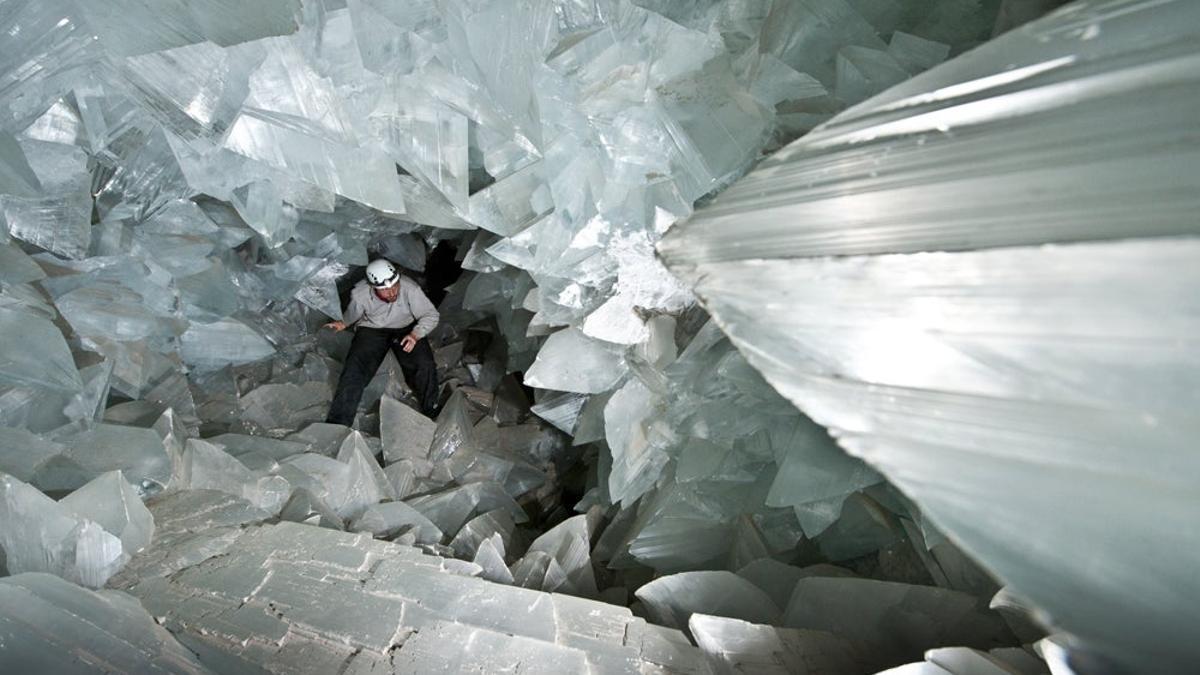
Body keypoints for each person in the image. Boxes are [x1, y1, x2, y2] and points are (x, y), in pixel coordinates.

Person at [324, 259, 440, 424]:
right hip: (373, 329)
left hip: (406, 328)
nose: (392, 292)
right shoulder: (360, 294)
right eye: (385, 290)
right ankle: (339, 421)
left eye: (395, 286)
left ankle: (432, 411)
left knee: (424, 364)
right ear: (373, 287)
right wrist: (343, 323)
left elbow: (431, 315)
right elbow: (353, 314)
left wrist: (415, 335)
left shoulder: (410, 288)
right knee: (354, 370)